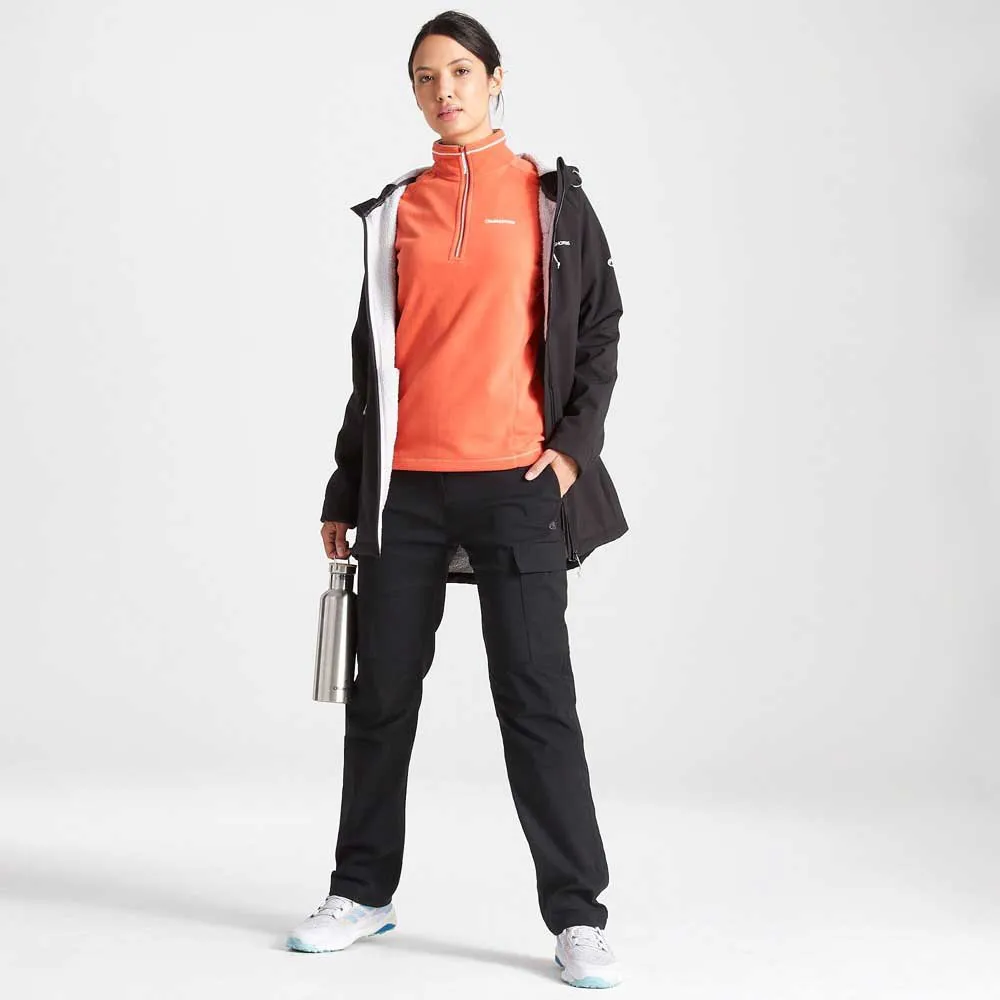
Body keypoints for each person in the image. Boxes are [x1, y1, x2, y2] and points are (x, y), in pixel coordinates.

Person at [286, 10, 629, 990]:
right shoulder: (395, 209)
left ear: (495, 77)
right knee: (381, 696)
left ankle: (577, 914)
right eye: (426, 78)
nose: (444, 91)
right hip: (404, 491)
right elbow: (374, 361)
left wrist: (570, 453)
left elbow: (599, 327)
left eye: (461, 72)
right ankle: (362, 890)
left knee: (537, 700)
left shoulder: (553, 200)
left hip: (517, 483)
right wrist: (346, 480)